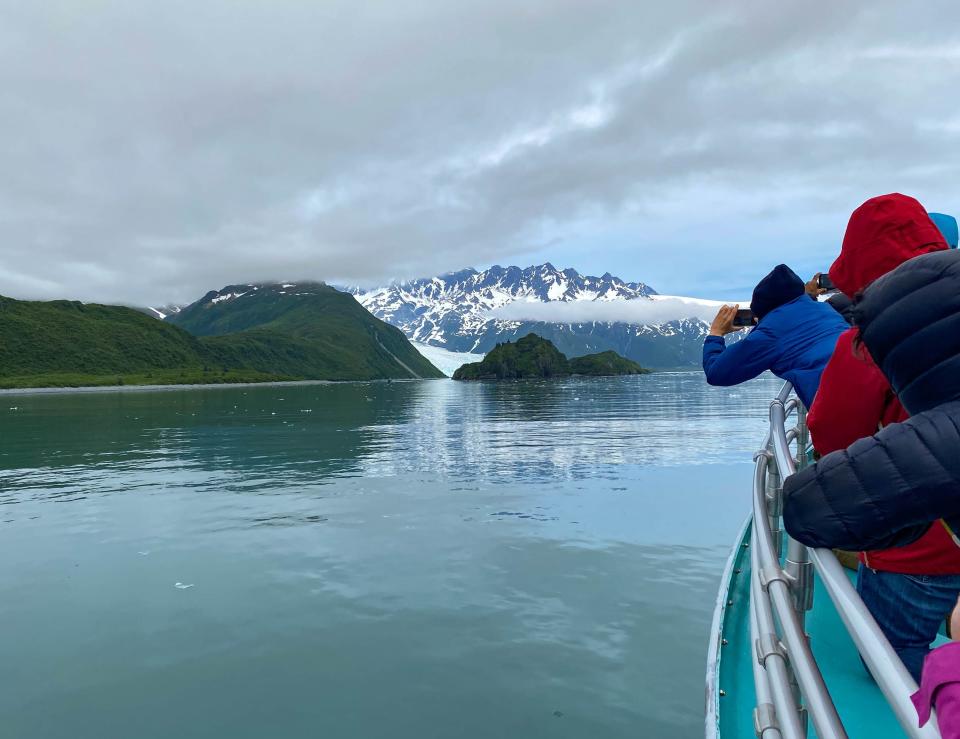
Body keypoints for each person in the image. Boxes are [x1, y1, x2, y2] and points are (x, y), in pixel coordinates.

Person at [783, 249, 960, 687]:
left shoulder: (942, 436)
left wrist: (900, 526)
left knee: (891, 665)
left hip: (915, 565)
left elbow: (809, 504)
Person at [702, 264, 847, 408]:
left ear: (763, 311)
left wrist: (716, 333)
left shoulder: (769, 333)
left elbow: (716, 373)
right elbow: (800, 315)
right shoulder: (826, 309)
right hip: (865, 376)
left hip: (840, 403)